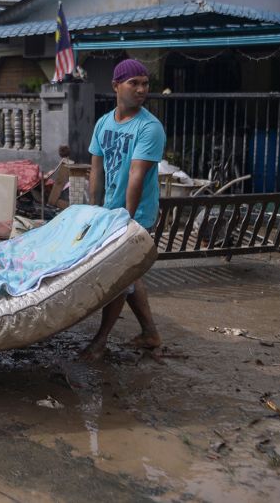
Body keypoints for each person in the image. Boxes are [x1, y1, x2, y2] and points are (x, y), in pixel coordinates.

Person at [79, 58, 165, 362]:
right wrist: (95, 211)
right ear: (116, 86)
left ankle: (100, 342)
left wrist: (126, 219)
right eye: (134, 83)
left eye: (145, 83)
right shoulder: (103, 124)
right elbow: (96, 171)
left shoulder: (150, 127)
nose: (141, 89)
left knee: (118, 277)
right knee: (130, 276)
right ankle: (150, 333)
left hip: (135, 216)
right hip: (111, 212)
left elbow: (136, 176)